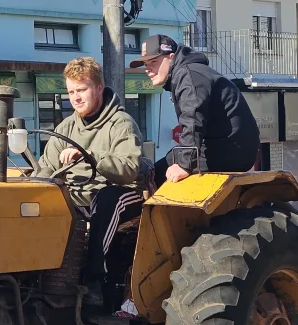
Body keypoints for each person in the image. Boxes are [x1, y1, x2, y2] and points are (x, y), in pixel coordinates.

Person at [35, 57, 142, 306]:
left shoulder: (121, 124)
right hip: (77, 195)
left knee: (105, 201)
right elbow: (46, 168)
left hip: (120, 192)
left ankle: (94, 278)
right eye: (71, 91)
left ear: (99, 88)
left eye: (81, 90)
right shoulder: (66, 128)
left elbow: (129, 170)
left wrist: (91, 155)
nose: (75, 98)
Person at [131, 34, 260, 185]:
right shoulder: (189, 72)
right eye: (146, 64)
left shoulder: (188, 74)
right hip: (227, 146)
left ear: (171, 57)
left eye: (153, 62)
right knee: (163, 165)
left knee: (157, 176)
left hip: (230, 150)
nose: (148, 69)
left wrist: (184, 165)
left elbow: (192, 119)